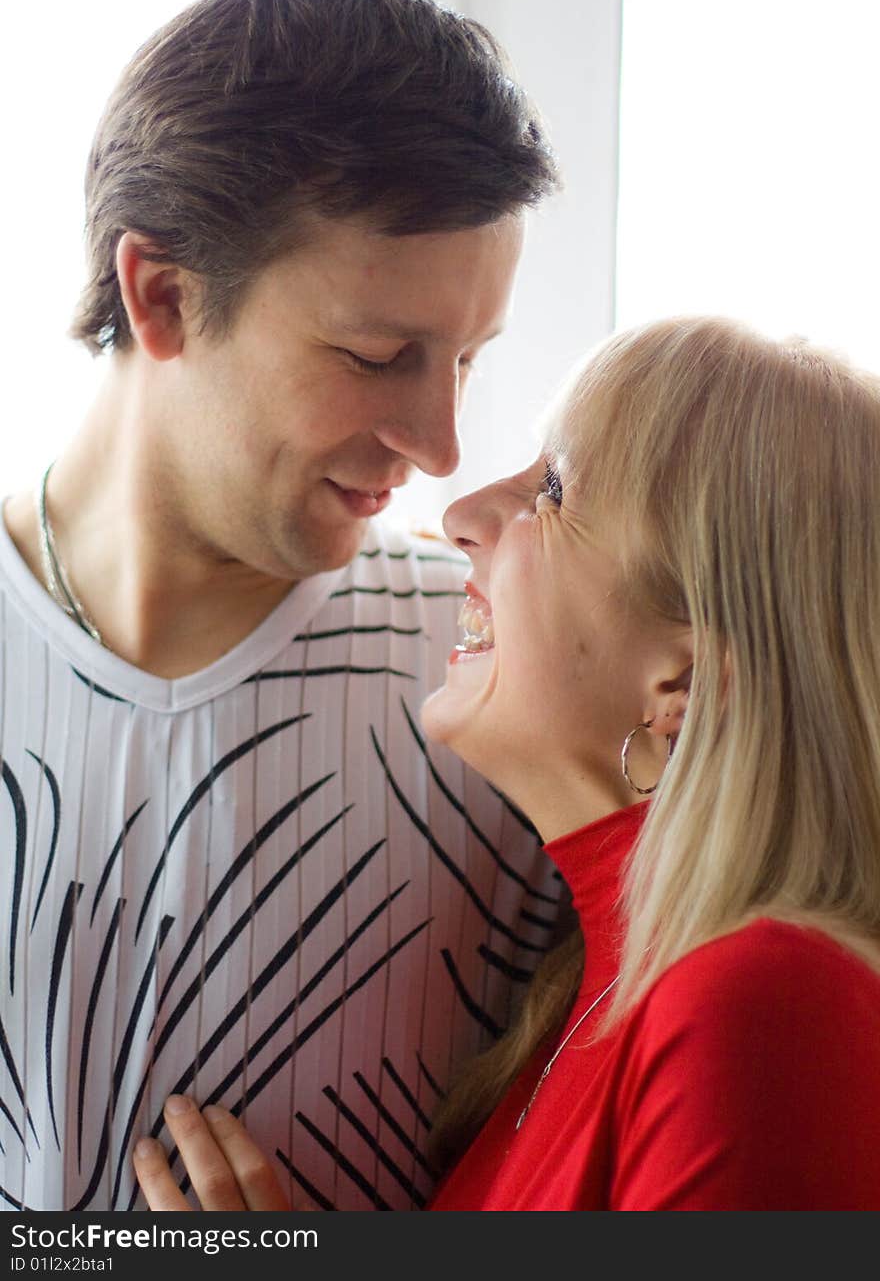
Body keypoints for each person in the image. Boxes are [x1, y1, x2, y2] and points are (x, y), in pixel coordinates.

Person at [0, 0, 563, 1213]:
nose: (442, 445)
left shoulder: (496, 678)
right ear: (161, 295)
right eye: (378, 355)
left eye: (468, 358)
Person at [133, 315, 880, 1210]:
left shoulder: (760, 1007)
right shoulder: (601, 984)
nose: (460, 515)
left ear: (682, 679)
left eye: (554, 489)